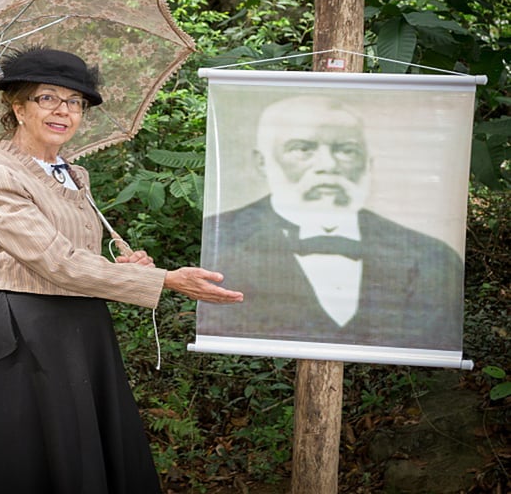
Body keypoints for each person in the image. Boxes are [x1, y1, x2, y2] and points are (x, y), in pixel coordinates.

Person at [0, 48, 243, 494]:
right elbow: (55, 262)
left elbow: (77, 260)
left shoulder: (75, 173)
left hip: (81, 329)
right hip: (26, 337)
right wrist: (162, 280)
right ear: (17, 108)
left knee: (81, 452)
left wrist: (125, 267)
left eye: (76, 101)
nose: (64, 110)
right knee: (32, 459)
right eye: (47, 98)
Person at [198, 95, 464, 350]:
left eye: (346, 150)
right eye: (302, 148)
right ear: (262, 163)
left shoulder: (433, 258)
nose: (327, 165)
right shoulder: (219, 239)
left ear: (368, 164)